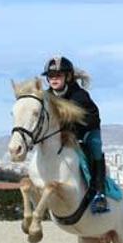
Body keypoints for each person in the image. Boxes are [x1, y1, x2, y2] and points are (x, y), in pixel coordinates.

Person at [41, 55, 109, 213]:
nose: (54, 79)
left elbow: (92, 118)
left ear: (68, 76)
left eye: (58, 75)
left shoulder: (80, 95)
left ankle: (100, 193)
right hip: (59, 135)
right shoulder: (45, 97)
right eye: (51, 76)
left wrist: (74, 129)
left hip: (85, 130)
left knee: (95, 147)